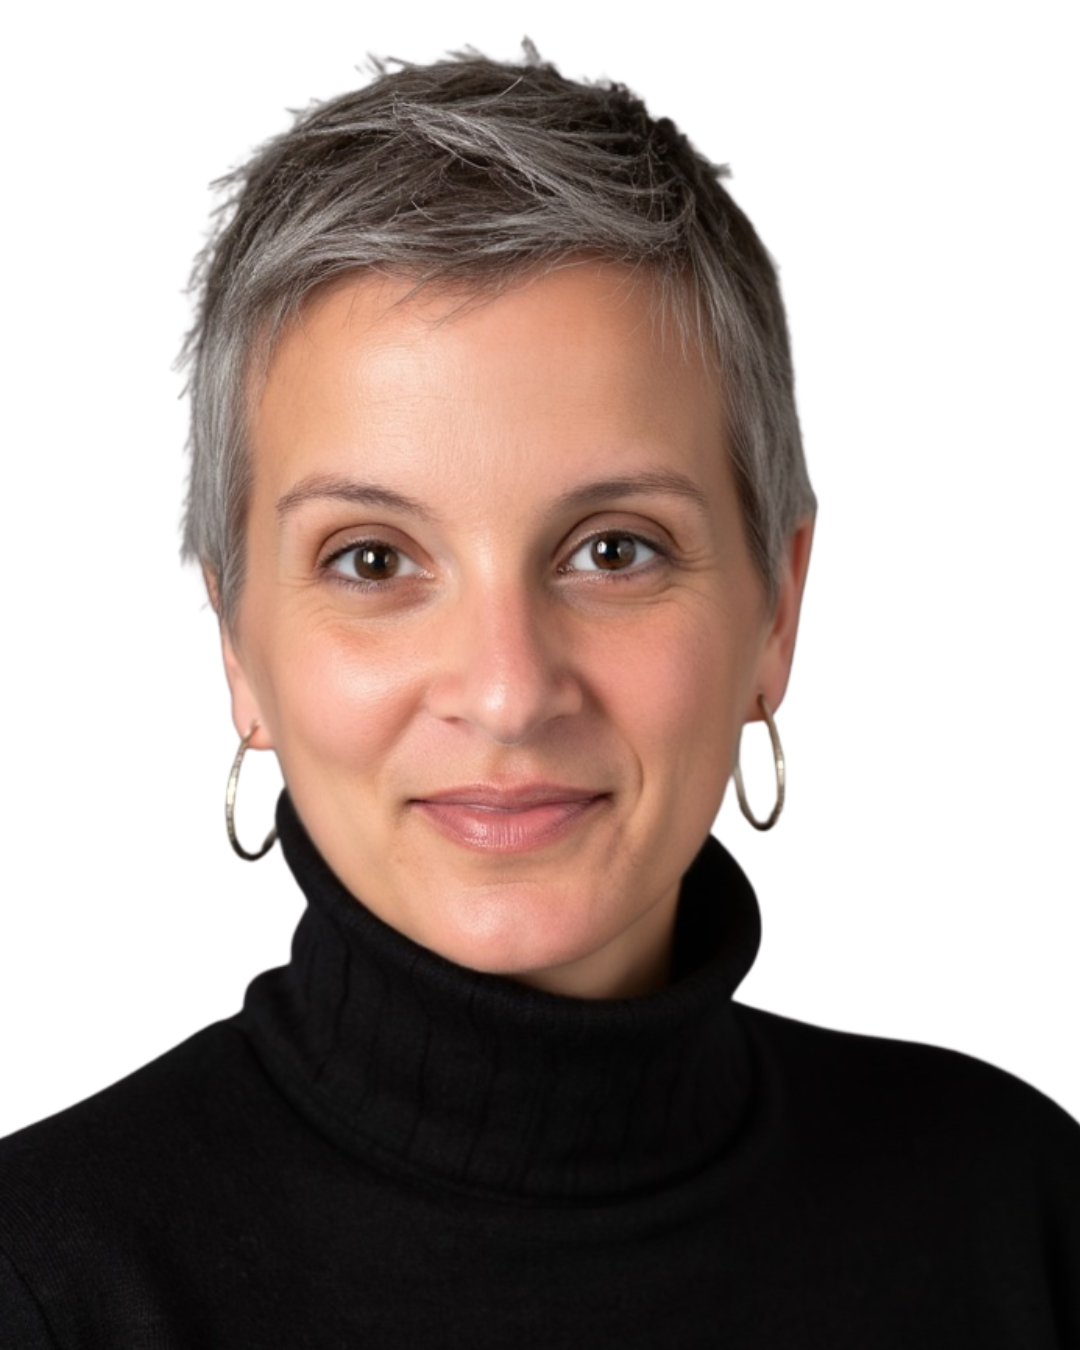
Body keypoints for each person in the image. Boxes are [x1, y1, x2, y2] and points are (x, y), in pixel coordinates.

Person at [1, 49, 1077, 1348]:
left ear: (775, 610)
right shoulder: (49, 1282)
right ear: (239, 639)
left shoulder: (1020, 1211)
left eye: (613, 549)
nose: (508, 689)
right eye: (374, 560)